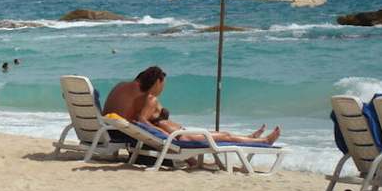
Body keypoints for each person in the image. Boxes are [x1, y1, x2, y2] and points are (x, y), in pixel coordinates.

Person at [103, 66, 279, 145]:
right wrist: (165, 132)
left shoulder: (121, 87)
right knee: (225, 135)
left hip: (107, 130)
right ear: (158, 81)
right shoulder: (148, 100)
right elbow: (142, 120)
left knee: (225, 135)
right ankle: (262, 140)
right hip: (176, 137)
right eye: (162, 84)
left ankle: (253, 137)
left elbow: (139, 120)